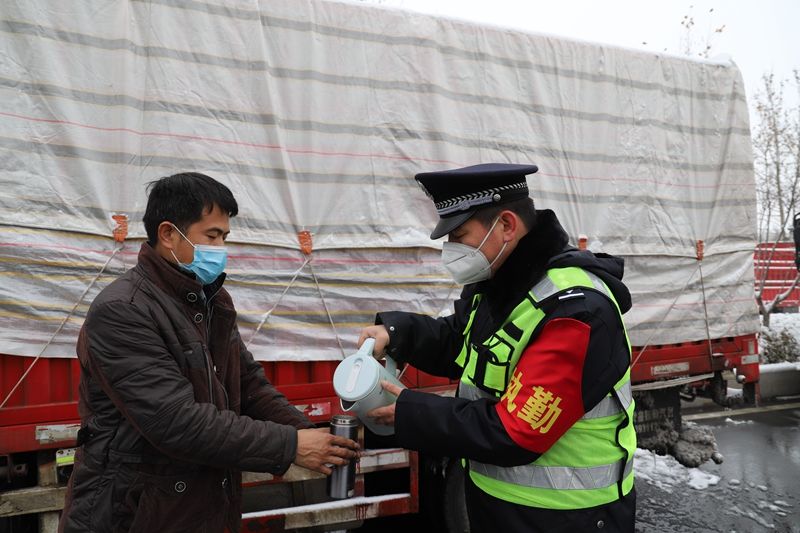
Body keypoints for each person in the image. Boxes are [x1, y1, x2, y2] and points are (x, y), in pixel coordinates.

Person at [59, 172, 358, 533]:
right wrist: (291, 445)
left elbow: (248, 386)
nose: (221, 248)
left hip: (200, 506)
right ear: (168, 234)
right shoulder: (123, 310)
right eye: (212, 236)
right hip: (134, 512)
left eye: (225, 237)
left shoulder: (211, 299)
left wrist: (313, 437)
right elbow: (175, 422)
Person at [359, 163, 636, 532]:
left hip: (567, 516)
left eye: (459, 235)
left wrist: (410, 410)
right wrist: (397, 333)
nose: (450, 250)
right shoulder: (497, 282)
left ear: (506, 225)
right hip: (497, 504)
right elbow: (462, 342)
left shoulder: (575, 310)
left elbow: (516, 431)